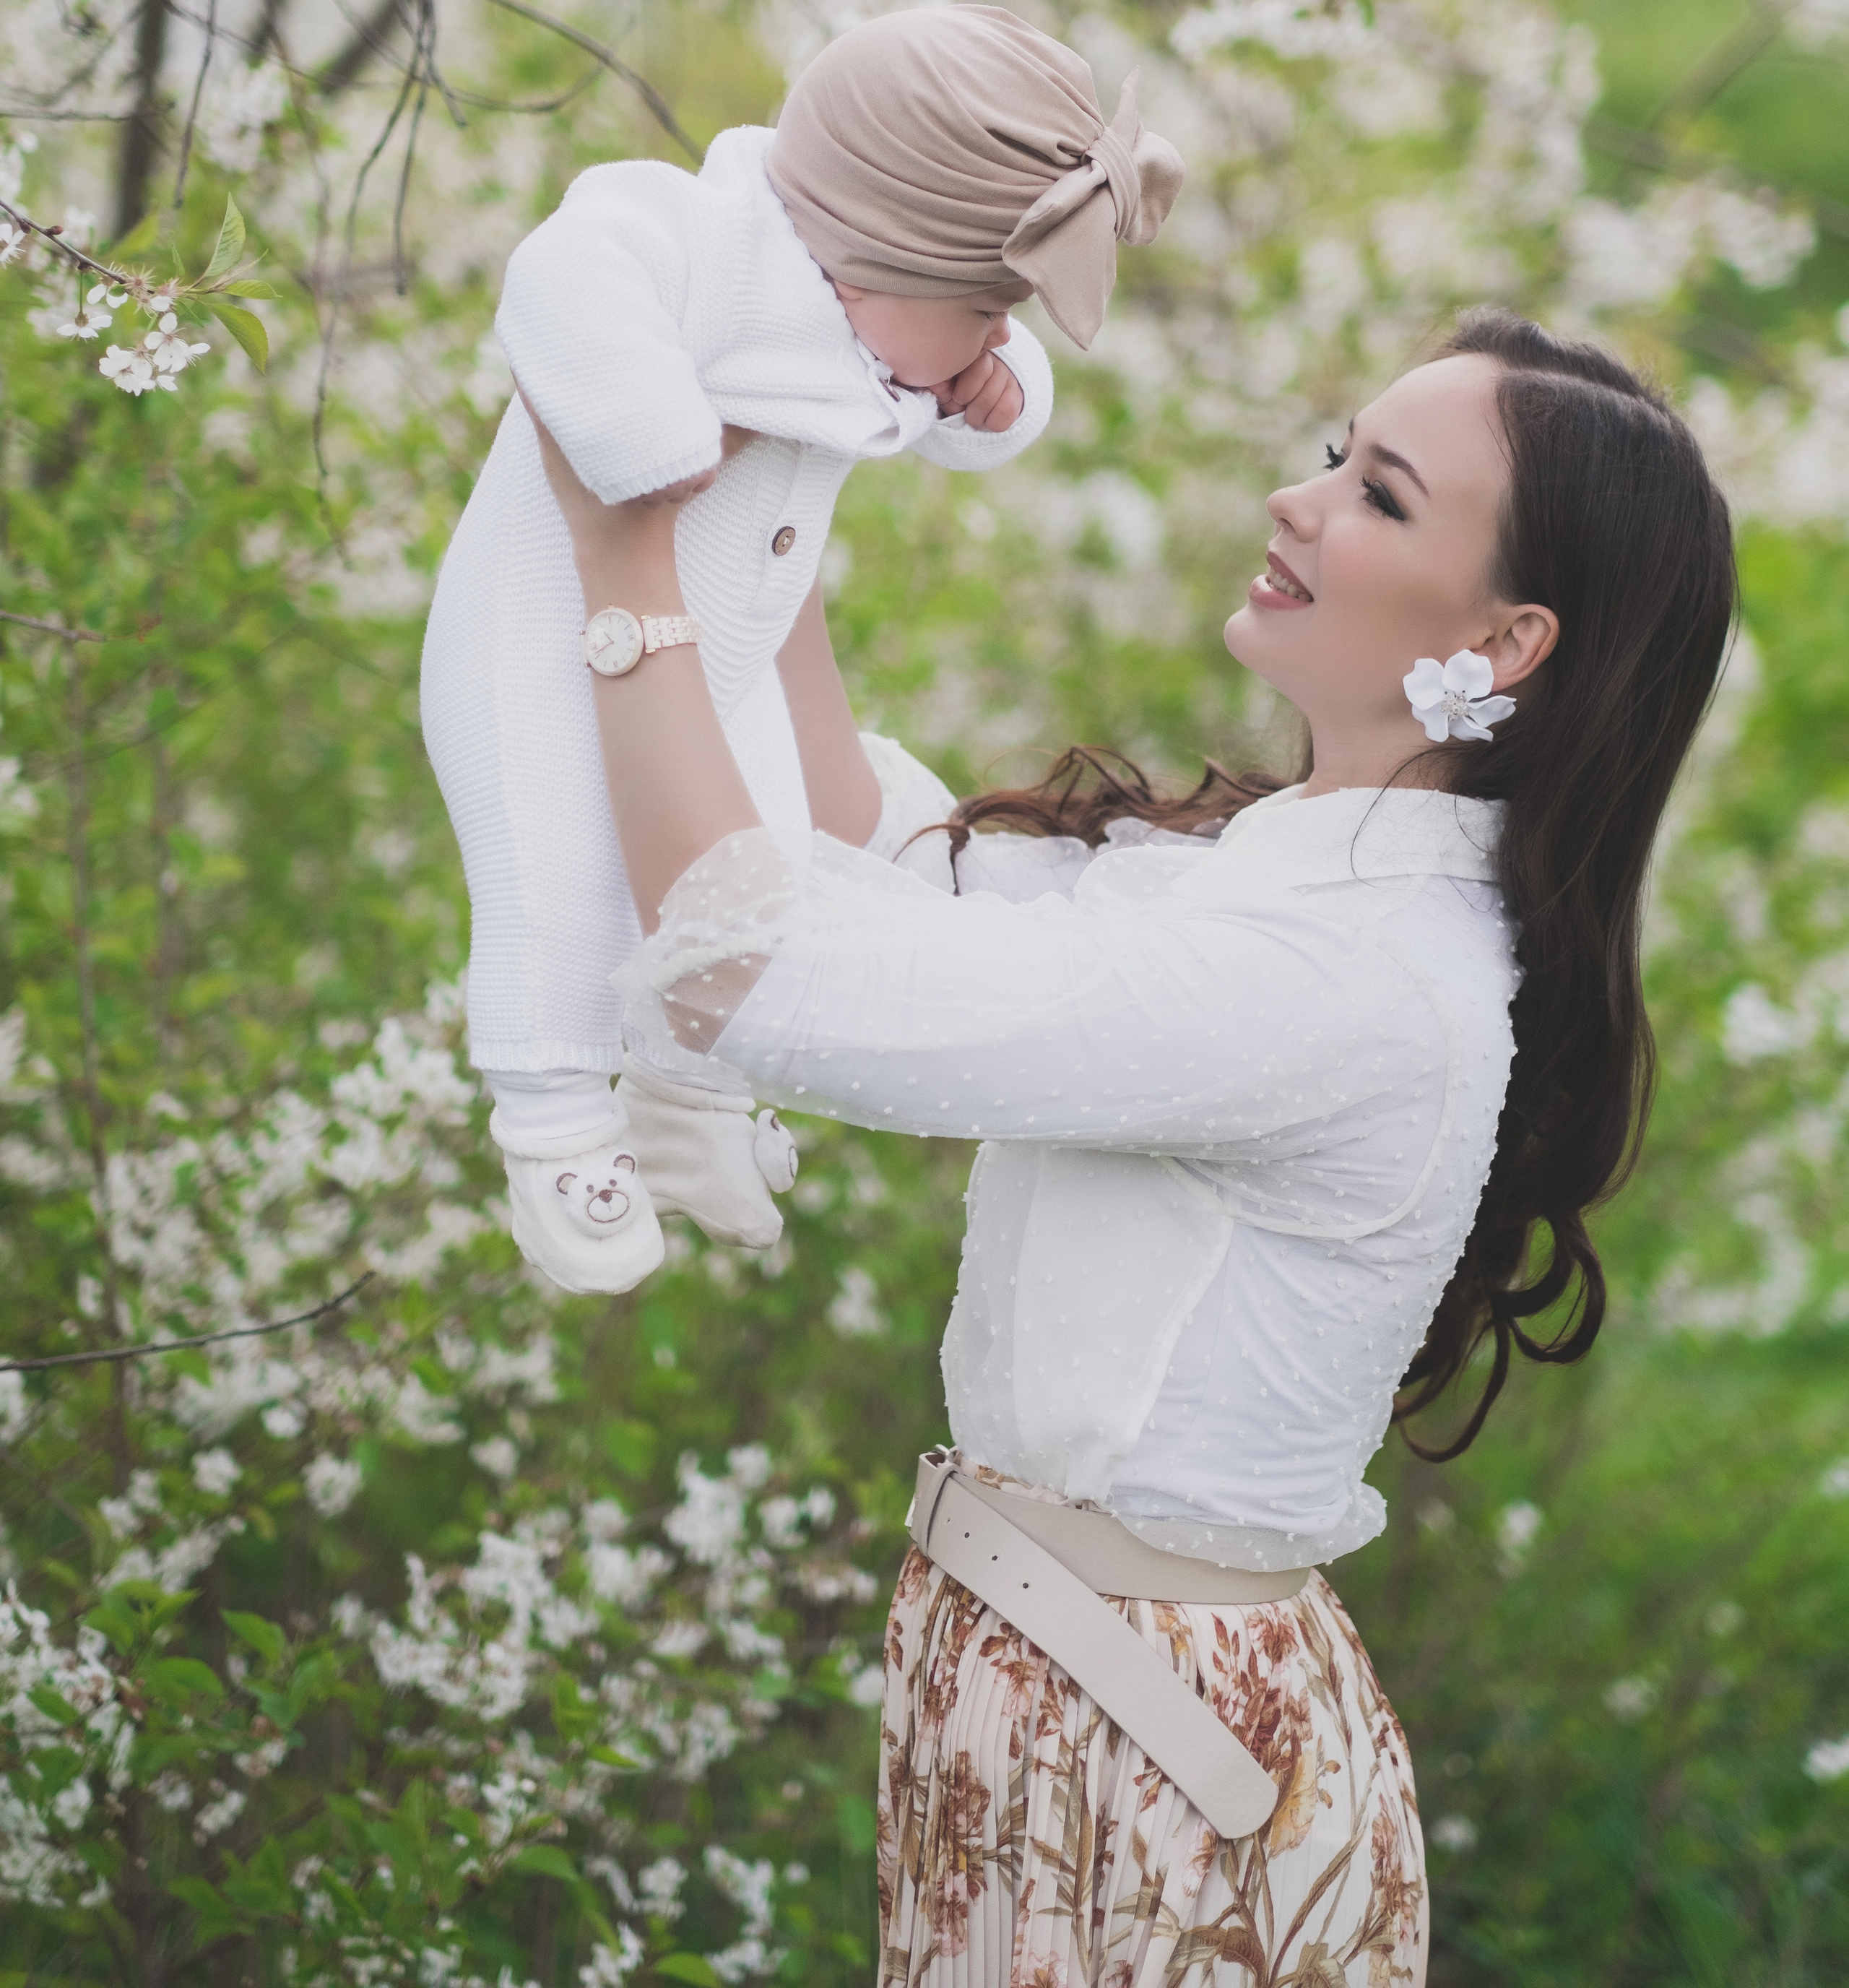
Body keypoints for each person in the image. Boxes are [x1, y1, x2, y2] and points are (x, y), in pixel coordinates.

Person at [525, 307, 1735, 1987]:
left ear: (1506, 639)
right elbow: (851, 850)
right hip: (1058, 1693)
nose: (1299, 504)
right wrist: (803, 438)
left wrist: (622, 556)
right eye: (1334, 457)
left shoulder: (1348, 974)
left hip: (1150, 1758)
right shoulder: (1273, 866)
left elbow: (758, 971)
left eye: (1379, 497)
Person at [420, 4, 1184, 1295]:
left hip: (718, 659)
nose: (1006, 339)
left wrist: (987, 396)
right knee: (551, 871)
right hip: (541, 648)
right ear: (878, 261)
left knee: (748, 872)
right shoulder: (690, 236)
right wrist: (643, 436)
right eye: (992, 312)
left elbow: (944, 400)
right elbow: (561, 276)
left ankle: (684, 1099)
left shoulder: (860, 316)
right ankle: (552, 1116)